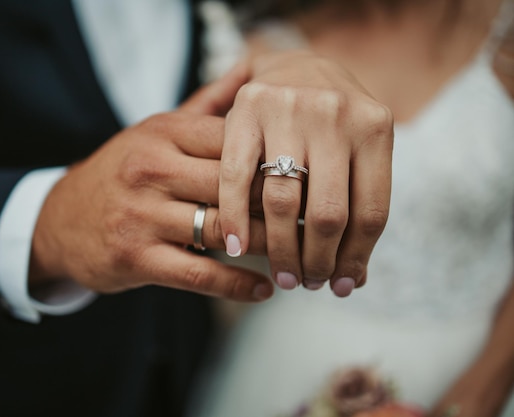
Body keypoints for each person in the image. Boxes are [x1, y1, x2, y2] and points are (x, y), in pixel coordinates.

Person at [0, 1, 393, 416]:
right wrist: (50, 221)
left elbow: (252, 38)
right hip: (21, 383)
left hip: (198, 367)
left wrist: (289, 62)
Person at [191, 0, 514, 416]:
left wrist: (482, 388)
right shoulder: (252, 43)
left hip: (482, 354)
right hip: (290, 360)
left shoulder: (503, 35)